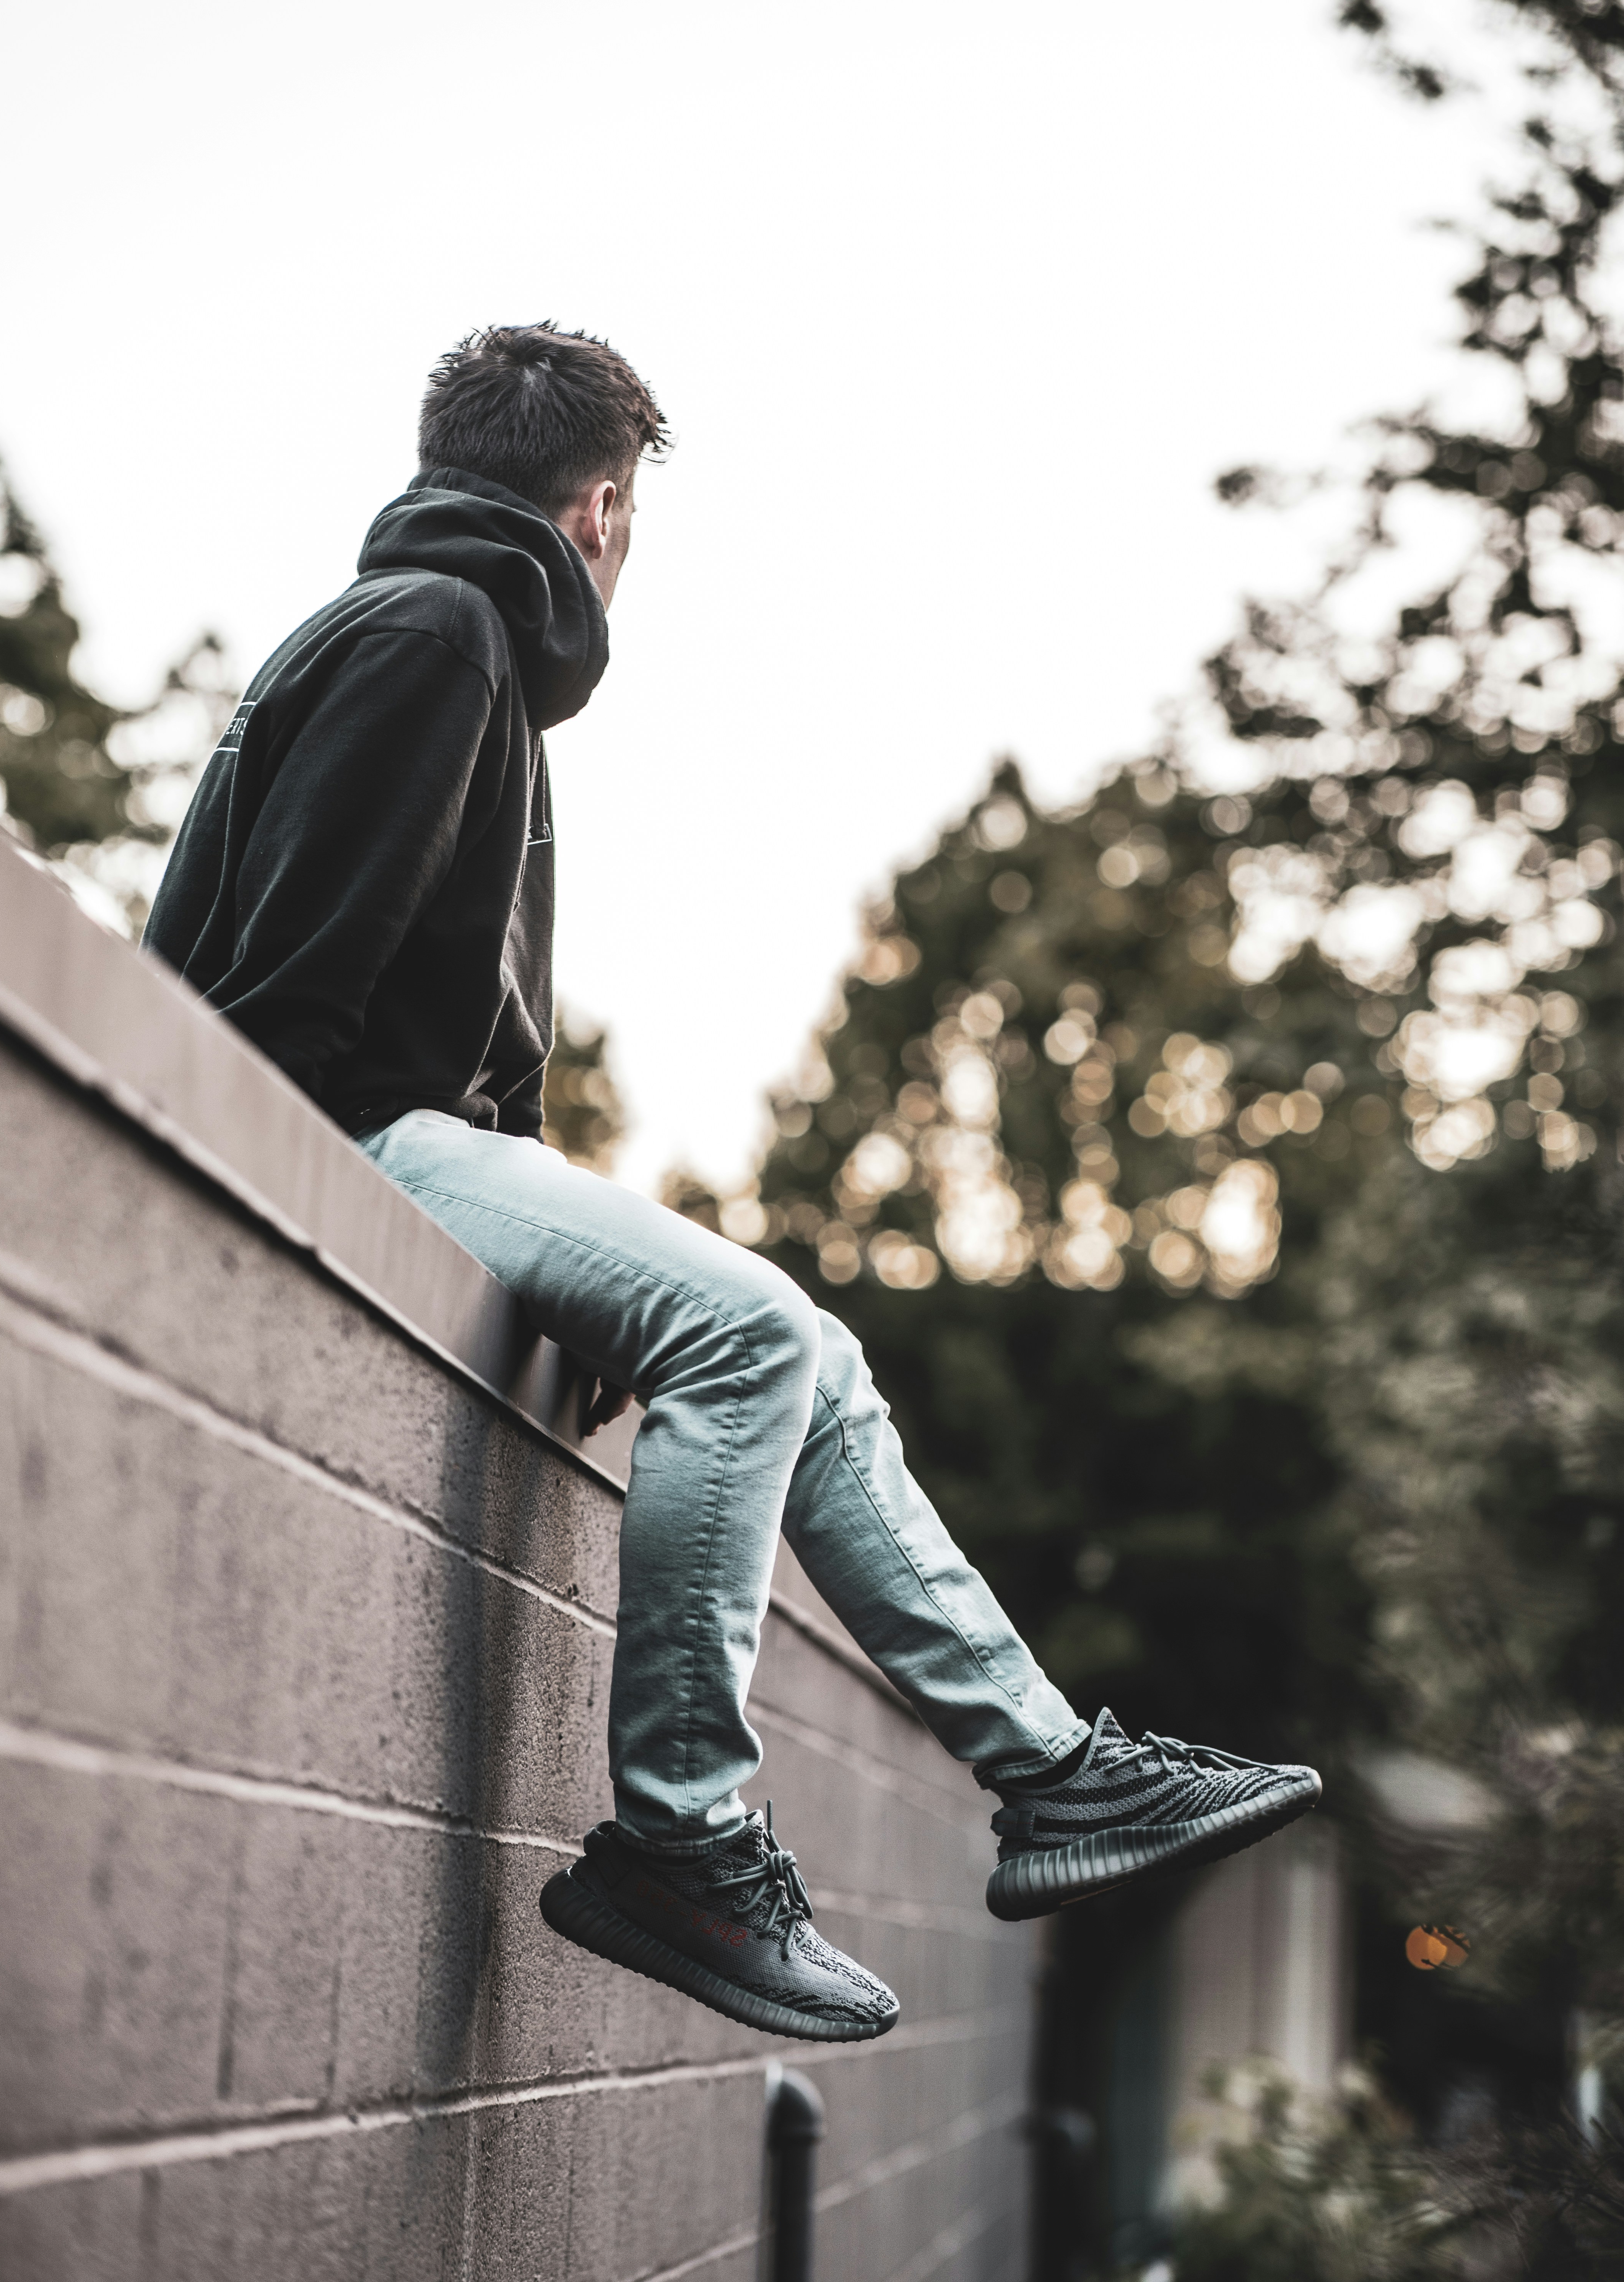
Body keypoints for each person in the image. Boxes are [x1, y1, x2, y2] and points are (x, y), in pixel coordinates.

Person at [145, 323, 1321, 2045]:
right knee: (755, 1337)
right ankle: (684, 1836)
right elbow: (291, 1020)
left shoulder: (425, 630)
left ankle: (1055, 1770)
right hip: (341, 1139)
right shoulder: (438, 636)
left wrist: (572, 1260)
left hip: (404, 1129)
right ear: (603, 507)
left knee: (814, 1357)